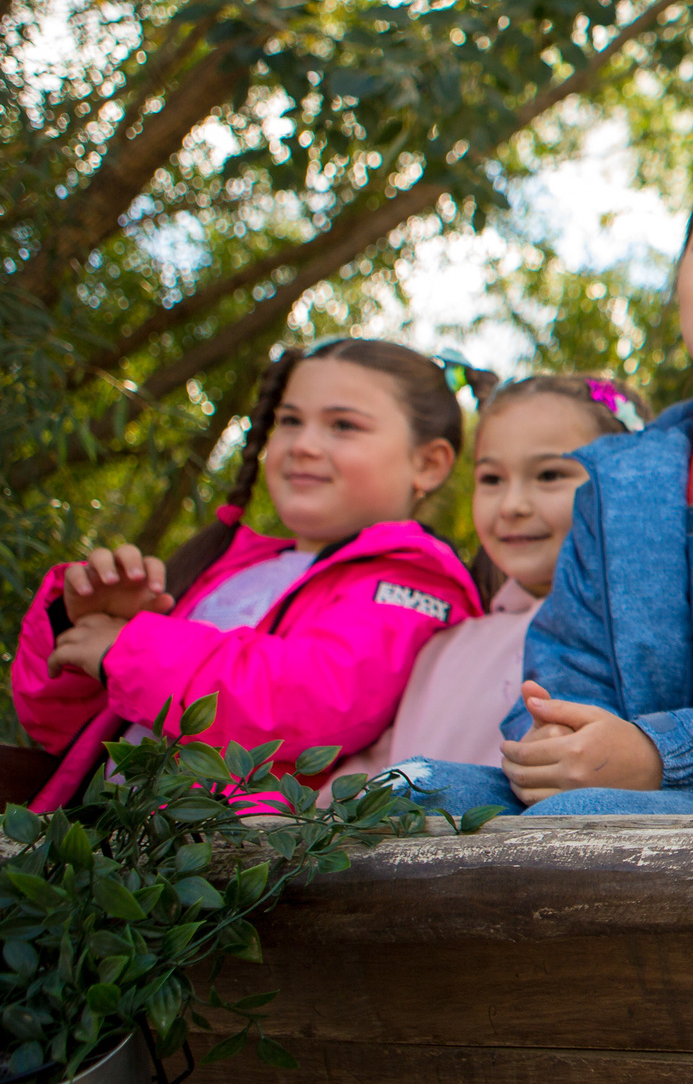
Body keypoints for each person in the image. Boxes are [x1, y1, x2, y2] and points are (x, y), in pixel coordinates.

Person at [405, 148, 693, 819]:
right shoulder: (620, 486)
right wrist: (556, 738)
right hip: (621, 795)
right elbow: (565, 665)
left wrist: (660, 753)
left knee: (570, 821)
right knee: (402, 796)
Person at [10, 339, 482, 812]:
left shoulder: (415, 582)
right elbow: (56, 726)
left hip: (223, 853)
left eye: (343, 425)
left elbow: (308, 701)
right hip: (94, 835)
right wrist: (77, 627)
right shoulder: (231, 565)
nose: (303, 445)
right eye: (290, 421)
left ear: (428, 464)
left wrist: (126, 649)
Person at [343, 376, 649, 773]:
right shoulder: (443, 644)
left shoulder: (636, 640)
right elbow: (376, 773)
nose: (511, 505)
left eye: (549, 475)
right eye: (491, 479)